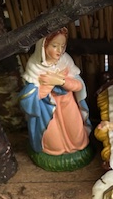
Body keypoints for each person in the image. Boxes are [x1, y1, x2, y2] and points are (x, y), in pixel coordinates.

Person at [19, 27, 91, 156]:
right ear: (44, 46)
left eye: (62, 46)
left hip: (67, 103)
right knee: (54, 146)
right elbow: (30, 97)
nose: (59, 50)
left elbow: (79, 86)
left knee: (78, 139)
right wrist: (50, 85)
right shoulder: (35, 66)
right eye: (54, 46)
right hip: (47, 108)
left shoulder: (65, 60)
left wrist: (61, 81)